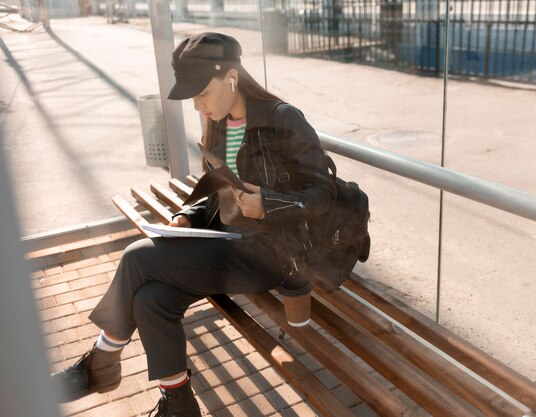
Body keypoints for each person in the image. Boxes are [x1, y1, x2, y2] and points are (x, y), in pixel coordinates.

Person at [50, 32, 336, 417]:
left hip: (273, 254)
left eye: (201, 92)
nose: (198, 104)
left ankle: (102, 362)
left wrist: (268, 205)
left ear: (231, 76)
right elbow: (219, 189)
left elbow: (324, 194)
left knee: (137, 259)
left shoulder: (282, 118)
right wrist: (188, 216)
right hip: (227, 242)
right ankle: (180, 407)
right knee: (151, 301)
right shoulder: (218, 122)